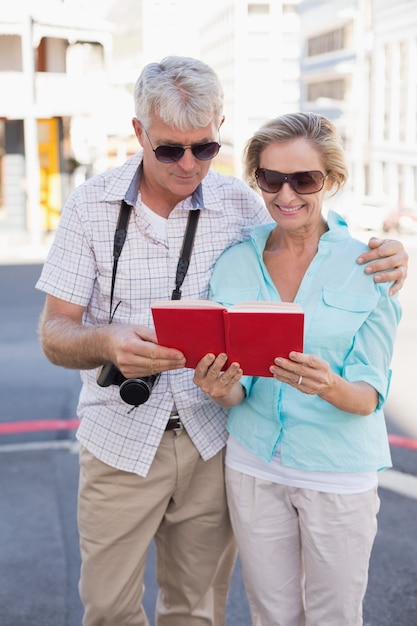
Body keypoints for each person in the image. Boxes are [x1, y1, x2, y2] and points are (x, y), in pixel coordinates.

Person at [36, 56, 406, 626]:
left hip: (214, 442)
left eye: (204, 148)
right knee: (108, 609)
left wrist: (391, 253)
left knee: (197, 612)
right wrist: (108, 341)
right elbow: (54, 333)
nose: (188, 164)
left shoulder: (239, 202)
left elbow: (310, 214)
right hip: (119, 436)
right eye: (169, 149)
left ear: (219, 133)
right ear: (138, 133)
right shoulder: (90, 206)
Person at [193, 112, 402, 626]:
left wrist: (329, 385)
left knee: (334, 616)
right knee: (272, 615)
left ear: (329, 180)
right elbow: (238, 388)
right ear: (257, 180)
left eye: (303, 179)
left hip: (337, 470)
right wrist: (220, 389)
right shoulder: (234, 262)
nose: (286, 195)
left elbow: (370, 396)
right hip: (253, 463)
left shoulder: (369, 264)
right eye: (271, 179)